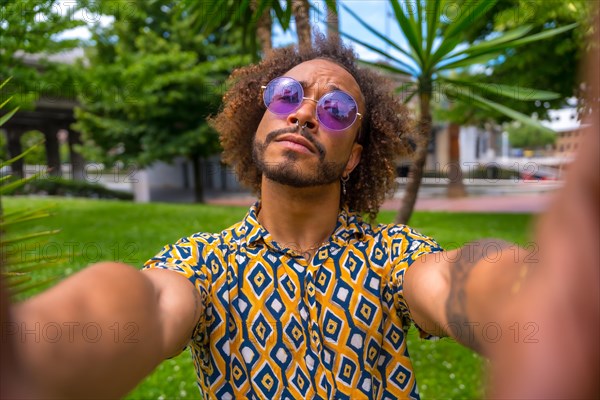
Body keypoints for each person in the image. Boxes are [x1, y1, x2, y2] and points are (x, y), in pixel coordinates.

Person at [1, 35, 597, 399]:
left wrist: (543, 298)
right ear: (258, 120)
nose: (307, 113)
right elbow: (149, 304)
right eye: (288, 96)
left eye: (337, 109)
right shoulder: (202, 264)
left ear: (357, 152)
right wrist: (37, 349)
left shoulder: (392, 254)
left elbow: (453, 280)